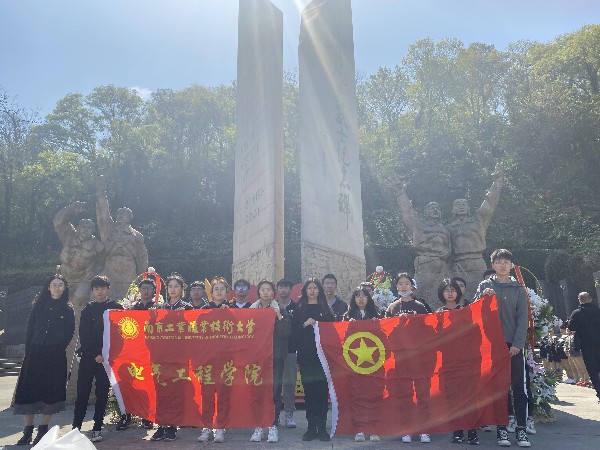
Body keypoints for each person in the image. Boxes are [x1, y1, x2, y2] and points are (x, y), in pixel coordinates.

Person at [476, 249, 531, 448]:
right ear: (492, 265)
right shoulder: (485, 285)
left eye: (506, 262)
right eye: (499, 262)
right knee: (499, 389)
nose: (502, 265)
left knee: (518, 388)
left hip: (512, 345)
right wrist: (482, 297)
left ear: (511, 266)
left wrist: (517, 344)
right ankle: (502, 427)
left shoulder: (519, 289)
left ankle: (521, 429)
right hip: (492, 344)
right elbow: (474, 311)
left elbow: (523, 319)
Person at [13, 275, 75, 446]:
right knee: (29, 390)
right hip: (35, 352)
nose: (57, 288)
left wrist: (57, 346)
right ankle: (27, 431)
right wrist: (29, 350)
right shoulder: (38, 306)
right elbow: (30, 329)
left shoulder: (67, 309)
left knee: (50, 390)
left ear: (64, 288)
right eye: (54, 285)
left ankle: (43, 430)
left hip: (54, 355)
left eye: (60, 285)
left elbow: (69, 332)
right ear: (48, 287)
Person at [72, 275, 124, 443]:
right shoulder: (88, 309)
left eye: (102, 288)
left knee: (102, 394)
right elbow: (84, 334)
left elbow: (119, 334)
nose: (99, 291)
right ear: (92, 291)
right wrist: (95, 354)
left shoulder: (116, 308)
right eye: (96, 289)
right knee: (82, 393)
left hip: (107, 360)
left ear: (109, 289)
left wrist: (105, 354)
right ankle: (76, 428)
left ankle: (97, 428)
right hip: (89, 357)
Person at [448, 165, 503, 300]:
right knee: (457, 297)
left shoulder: (478, 220)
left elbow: (489, 204)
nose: (461, 207)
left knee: (482, 294)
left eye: (464, 205)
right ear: (453, 210)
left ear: (468, 208)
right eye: (458, 205)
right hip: (457, 264)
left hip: (476, 262)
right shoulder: (449, 228)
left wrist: (497, 183)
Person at [393, 182, 452, 306]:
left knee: (443, 294)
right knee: (422, 295)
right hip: (425, 264)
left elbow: (449, 247)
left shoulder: (445, 230)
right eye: (432, 208)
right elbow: (408, 212)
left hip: (442, 266)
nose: (435, 210)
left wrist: (447, 252)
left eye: (437, 208)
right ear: (425, 212)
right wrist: (400, 193)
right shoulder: (419, 225)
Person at [436, 279, 479, 446]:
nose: (450, 293)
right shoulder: (438, 314)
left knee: (470, 395)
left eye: (453, 289)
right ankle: (457, 429)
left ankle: (472, 429)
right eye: (446, 290)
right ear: (442, 293)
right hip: (448, 361)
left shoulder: (466, 311)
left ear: (458, 292)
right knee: (453, 396)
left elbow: (475, 333)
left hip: (467, 360)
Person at [150, 274, 192, 442]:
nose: (173, 289)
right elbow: (152, 331)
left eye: (176, 286)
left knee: (176, 392)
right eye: (170, 286)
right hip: (161, 357)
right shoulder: (160, 308)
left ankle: (173, 426)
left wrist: (185, 317)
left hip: (179, 358)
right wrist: (152, 317)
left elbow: (194, 331)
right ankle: (161, 425)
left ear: (182, 289)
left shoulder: (187, 308)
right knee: (161, 392)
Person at [292, 278, 334, 442]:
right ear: (305, 291)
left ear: (319, 291)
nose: (312, 290)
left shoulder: (326, 310)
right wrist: (304, 325)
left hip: (322, 357)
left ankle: (322, 427)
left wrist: (319, 324)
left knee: (322, 392)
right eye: (309, 288)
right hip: (306, 356)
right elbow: (293, 333)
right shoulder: (299, 310)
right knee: (309, 392)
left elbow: (333, 331)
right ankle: (311, 427)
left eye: (315, 288)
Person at [249, 279, 291, 443]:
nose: (265, 292)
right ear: (258, 292)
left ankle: (272, 425)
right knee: (258, 390)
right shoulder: (251, 311)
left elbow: (286, 332)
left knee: (274, 391)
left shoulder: (279, 309)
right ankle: (258, 425)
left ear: (273, 293)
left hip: (275, 357)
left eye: (268, 289)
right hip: (256, 357)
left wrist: (278, 316)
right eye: (263, 289)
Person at [96, 175, 149, 301]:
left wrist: (142, 277)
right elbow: (103, 213)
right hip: (110, 268)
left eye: (124, 214)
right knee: (104, 298)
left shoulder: (137, 235)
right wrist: (101, 193)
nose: (120, 216)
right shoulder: (109, 229)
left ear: (130, 218)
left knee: (129, 301)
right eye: (119, 214)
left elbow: (142, 258)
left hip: (129, 271)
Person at [115, 277, 157, 431]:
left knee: (148, 385)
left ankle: (148, 417)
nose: (146, 291)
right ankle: (126, 416)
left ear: (154, 291)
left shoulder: (158, 308)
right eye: (143, 288)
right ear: (139, 290)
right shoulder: (132, 308)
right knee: (129, 384)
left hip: (151, 352)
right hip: (133, 352)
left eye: (149, 288)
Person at [343, 286, 381, 443]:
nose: (361, 298)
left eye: (364, 296)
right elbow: (342, 339)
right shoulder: (347, 317)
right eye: (357, 296)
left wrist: (377, 325)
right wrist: (349, 326)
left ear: (369, 299)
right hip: (354, 364)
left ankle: (373, 429)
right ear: (353, 299)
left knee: (373, 396)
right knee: (357, 396)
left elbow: (383, 339)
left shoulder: (377, 316)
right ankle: (359, 428)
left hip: (373, 364)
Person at [198, 277, 231, 443]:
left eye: (222, 289)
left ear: (226, 292)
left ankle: (220, 427)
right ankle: (206, 427)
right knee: (207, 395)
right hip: (207, 360)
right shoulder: (203, 310)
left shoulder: (231, 310)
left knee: (223, 395)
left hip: (226, 361)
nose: (219, 292)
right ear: (211, 293)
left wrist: (228, 313)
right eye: (216, 289)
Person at [567, 292, 600, 402]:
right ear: (590, 299)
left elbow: (571, 328)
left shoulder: (576, 313)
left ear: (579, 300)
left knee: (593, 371)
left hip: (587, 346)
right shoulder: (598, 311)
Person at [276, 278, 299, 428]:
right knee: (275, 384)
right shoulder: (272, 306)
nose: (283, 289)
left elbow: (298, 329)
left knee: (289, 383)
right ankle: (275, 414)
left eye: (286, 287)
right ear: (277, 289)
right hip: (275, 350)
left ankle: (289, 414)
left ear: (290, 289)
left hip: (291, 350)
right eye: (281, 287)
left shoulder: (296, 307)